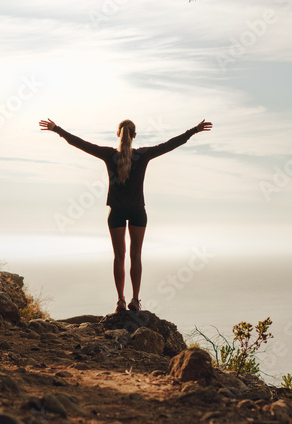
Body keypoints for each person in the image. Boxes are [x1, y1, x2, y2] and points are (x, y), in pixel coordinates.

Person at [39, 118, 213, 313]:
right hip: (138, 211)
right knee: (135, 256)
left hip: (117, 212)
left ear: (118, 134)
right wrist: (194, 130)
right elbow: (170, 144)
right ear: (134, 135)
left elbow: (80, 143)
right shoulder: (143, 155)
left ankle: (120, 300)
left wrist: (57, 129)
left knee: (119, 257)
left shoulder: (109, 155)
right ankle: (135, 300)